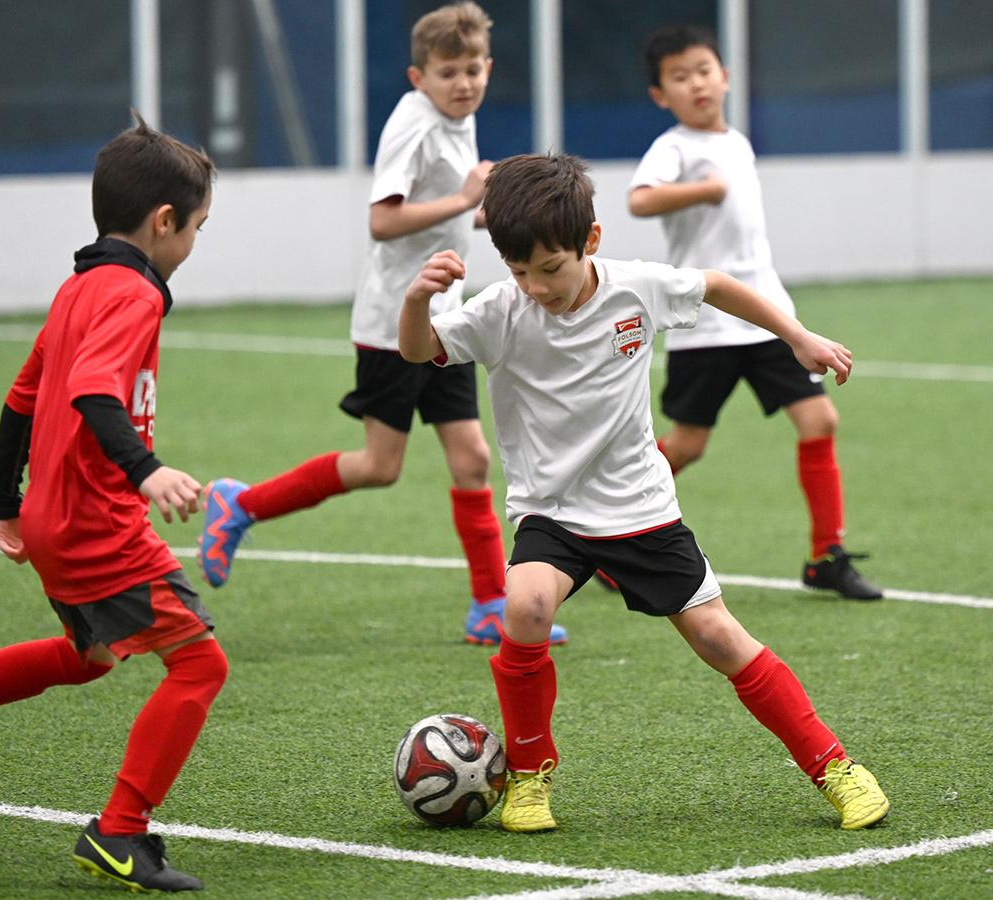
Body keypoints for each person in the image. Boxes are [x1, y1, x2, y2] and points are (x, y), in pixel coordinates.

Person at [398, 153, 889, 834]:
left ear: (590, 242)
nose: (536, 287)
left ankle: (835, 766)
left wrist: (796, 336)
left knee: (720, 639)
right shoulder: (500, 312)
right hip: (553, 512)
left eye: (550, 269)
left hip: (641, 509)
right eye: (518, 271)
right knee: (527, 605)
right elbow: (420, 352)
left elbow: (718, 284)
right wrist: (418, 299)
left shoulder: (637, 288)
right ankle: (532, 777)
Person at [0, 114, 224, 893]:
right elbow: (95, 392)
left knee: (88, 659)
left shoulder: (77, 289)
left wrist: (5, 499)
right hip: (100, 524)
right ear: (164, 222)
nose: (195, 242)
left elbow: (21, 398)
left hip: (52, 521)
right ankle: (120, 832)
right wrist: (147, 469)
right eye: (196, 227)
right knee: (199, 664)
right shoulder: (133, 294)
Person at [199, 2, 566, 646]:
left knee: (472, 458)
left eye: (473, 69)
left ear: (488, 67)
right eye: (448, 72)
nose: (463, 83)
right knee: (379, 465)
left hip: (443, 316)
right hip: (395, 322)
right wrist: (463, 199)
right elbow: (384, 220)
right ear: (417, 77)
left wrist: (490, 217)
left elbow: (451, 210)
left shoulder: (460, 117)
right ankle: (243, 504)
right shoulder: (414, 125)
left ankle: (488, 605)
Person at [624, 24, 882, 600]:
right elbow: (640, 199)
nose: (696, 84)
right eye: (679, 77)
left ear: (726, 76)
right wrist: (700, 191)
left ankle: (826, 556)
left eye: (703, 70)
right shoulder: (675, 148)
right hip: (705, 326)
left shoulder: (736, 142)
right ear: (660, 95)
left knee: (820, 421)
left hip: (767, 317)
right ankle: (611, 531)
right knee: (687, 445)